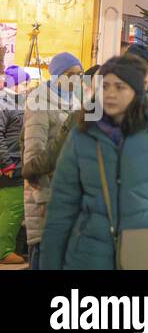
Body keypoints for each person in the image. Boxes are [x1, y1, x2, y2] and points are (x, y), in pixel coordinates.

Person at [41, 56, 148, 269]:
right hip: (88, 256)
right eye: (105, 86)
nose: (110, 94)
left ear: (137, 91)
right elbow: (61, 205)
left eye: (120, 87)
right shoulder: (84, 132)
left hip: (147, 254)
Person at [20, 53, 83, 269]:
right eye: (70, 75)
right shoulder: (40, 103)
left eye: (80, 74)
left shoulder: (75, 101)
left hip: (65, 192)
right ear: (57, 76)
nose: (76, 79)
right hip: (45, 194)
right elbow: (33, 156)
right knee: (43, 252)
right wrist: (44, 198)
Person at [0, 68, 26, 265]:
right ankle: (3, 251)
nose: (27, 87)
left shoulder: (18, 103)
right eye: (24, 83)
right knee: (14, 208)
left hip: (16, 163)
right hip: (11, 166)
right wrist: (7, 163)